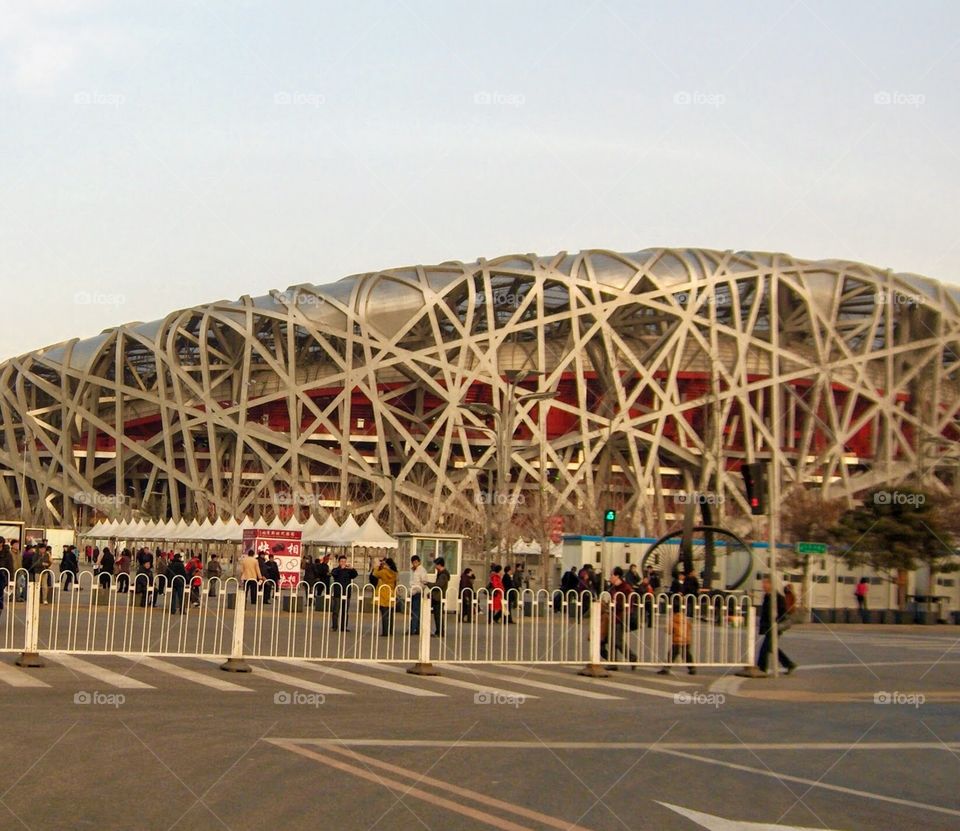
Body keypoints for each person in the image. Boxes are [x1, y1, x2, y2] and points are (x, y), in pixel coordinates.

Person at [756, 577, 797, 675]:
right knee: (772, 648)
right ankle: (789, 664)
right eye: (763, 584)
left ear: (771, 585)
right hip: (768, 627)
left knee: (765, 648)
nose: (763, 586)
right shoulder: (767, 596)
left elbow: (783, 613)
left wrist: (775, 623)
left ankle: (762, 669)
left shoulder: (778, 597)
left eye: (765, 584)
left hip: (775, 627)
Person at [601, 567, 637, 668]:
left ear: (617, 576)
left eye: (611, 575)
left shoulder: (626, 588)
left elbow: (627, 604)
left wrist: (614, 605)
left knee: (616, 640)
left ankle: (632, 657)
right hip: (612, 617)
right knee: (611, 640)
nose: (610, 577)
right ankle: (612, 663)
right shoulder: (613, 588)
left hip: (621, 617)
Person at [658, 595, 696, 675]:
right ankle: (692, 668)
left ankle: (666, 668)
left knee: (671, 655)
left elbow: (669, 630)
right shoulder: (685, 618)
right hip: (686, 640)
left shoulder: (674, 619)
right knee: (686, 655)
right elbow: (690, 627)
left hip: (677, 641)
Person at [372, 557, 398, 636]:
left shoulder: (383, 572)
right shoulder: (395, 573)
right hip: (391, 593)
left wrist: (377, 566)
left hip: (383, 593)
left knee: (384, 614)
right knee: (391, 614)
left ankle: (385, 631)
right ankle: (390, 631)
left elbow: (375, 574)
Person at [330, 555, 358, 631]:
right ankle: (334, 626)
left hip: (347, 593)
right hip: (337, 593)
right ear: (339, 562)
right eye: (342, 561)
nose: (343, 563)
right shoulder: (336, 569)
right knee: (336, 610)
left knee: (345, 611)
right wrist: (340, 569)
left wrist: (352, 568)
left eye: (344, 561)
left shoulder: (348, 570)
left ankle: (343, 627)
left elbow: (355, 575)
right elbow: (333, 573)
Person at [409, 554, 429, 635]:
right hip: (412, 592)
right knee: (414, 611)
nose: (415, 564)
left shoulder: (422, 570)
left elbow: (424, 582)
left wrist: (418, 589)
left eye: (416, 562)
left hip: (418, 592)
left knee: (416, 611)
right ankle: (417, 628)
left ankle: (413, 628)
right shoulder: (413, 570)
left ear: (419, 562)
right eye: (413, 562)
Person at [431, 557, 450, 637]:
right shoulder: (441, 573)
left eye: (436, 565)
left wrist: (428, 584)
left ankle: (440, 631)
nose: (435, 567)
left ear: (439, 565)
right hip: (437, 595)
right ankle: (438, 631)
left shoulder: (443, 574)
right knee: (437, 615)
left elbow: (438, 585)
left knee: (438, 615)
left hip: (439, 596)